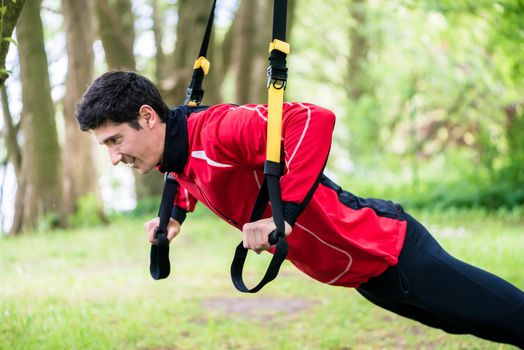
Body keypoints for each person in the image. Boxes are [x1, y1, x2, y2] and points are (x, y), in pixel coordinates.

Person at [75, 70, 524, 348]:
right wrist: (175, 215)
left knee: (508, 318)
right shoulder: (177, 151)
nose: (114, 157)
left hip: (389, 247)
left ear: (149, 117)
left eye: (116, 140)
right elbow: (192, 172)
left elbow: (312, 119)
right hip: (365, 276)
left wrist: (282, 212)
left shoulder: (218, 131)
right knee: (477, 325)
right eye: (106, 146)